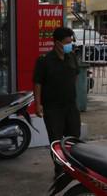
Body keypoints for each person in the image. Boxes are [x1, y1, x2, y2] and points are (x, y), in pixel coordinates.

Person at [33, 27, 81, 176]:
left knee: (73, 139)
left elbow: (76, 75)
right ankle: (59, 170)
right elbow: (37, 83)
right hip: (53, 108)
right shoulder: (44, 61)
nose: (70, 45)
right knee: (56, 141)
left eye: (71, 42)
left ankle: (73, 169)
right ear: (57, 43)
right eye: (67, 42)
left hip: (70, 106)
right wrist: (38, 104)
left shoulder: (72, 57)